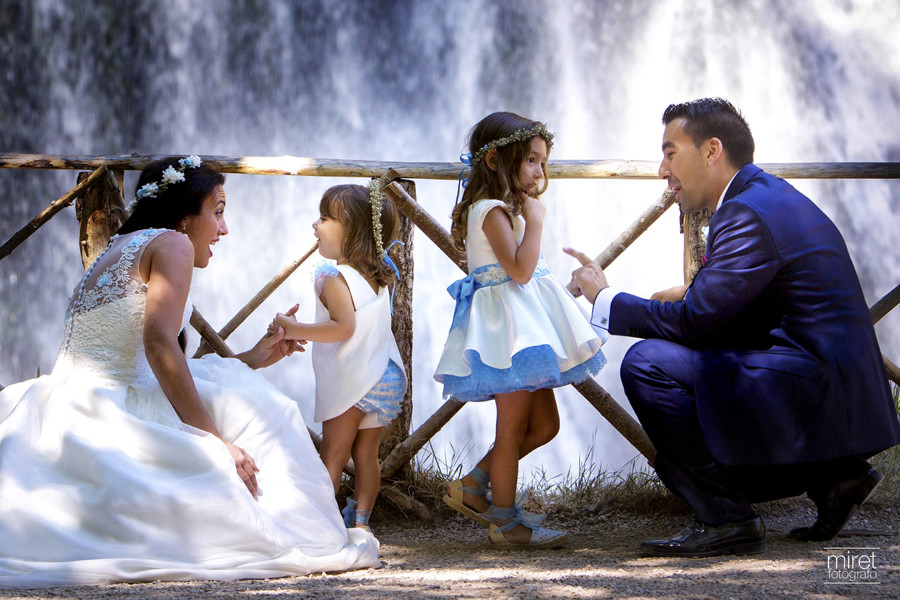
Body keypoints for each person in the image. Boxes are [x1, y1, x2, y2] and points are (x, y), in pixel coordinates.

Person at [0, 156, 380, 588]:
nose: (225, 228)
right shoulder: (173, 244)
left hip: (63, 401)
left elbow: (144, 363)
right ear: (184, 215)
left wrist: (254, 357)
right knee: (268, 412)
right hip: (110, 408)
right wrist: (216, 443)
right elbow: (160, 345)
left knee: (240, 386)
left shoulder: (121, 246)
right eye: (217, 211)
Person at [567, 97, 900, 557]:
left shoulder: (745, 213)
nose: (662, 170)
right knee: (685, 371)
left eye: (670, 152)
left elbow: (699, 323)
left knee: (646, 363)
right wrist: (691, 292)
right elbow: (744, 301)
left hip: (817, 394)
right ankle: (834, 478)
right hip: (833, 390)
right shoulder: (766, 196)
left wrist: (605, 298)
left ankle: (727, 516)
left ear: (711, 151)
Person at [434, 112, 607, 548]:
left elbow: (525, 279)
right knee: (511, 428)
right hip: (505, 336)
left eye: (543, 162)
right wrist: (536, 222)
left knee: (544, 424)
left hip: (525, 330)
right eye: (531, 160)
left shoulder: (506, 209)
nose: (540, 172)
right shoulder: (490, 211)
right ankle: (506, 523)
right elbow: (520, 271)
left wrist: (566, 288)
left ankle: (475, 484)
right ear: (495, 160)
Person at [269, 183, 407, 533]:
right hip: (387, 376)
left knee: (333, 456)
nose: (315, 225)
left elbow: (343, 328)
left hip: (355, 378)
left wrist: (294, 327)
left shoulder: (333, 277)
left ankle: (320, 526)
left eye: (325, 218)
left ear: (353, 231)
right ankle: (360, 522)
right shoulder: (378, 277)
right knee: (366, 456)